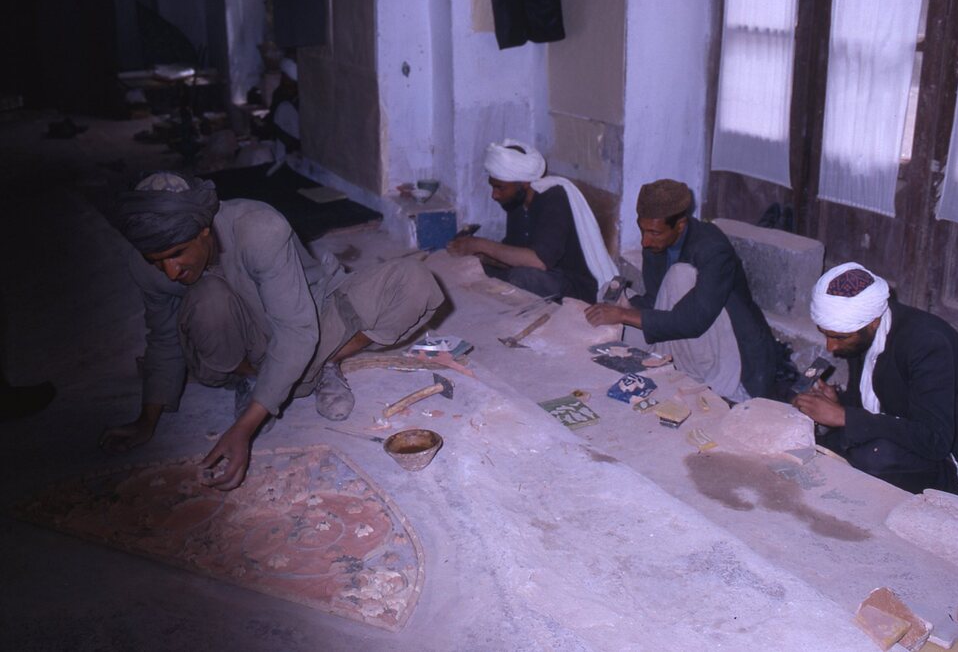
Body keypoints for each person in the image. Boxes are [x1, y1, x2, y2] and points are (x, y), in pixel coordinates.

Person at [102, 172, 444, 490]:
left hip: (306, 315)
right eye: (156, 260)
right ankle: (258, 379)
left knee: (414, 280)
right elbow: (163, 338)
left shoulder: (258, 227)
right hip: (235, 346)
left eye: (177, 253)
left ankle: (318, 363)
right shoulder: (146, 266)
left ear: (204, 230)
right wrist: (146, 421)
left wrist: (244, 427)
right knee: (208, 296)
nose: (170, 270)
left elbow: (296, 328)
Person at [792, 262, 958, 506]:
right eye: (826, 334)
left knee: (872, 457)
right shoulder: (866, 334)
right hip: (923, 443)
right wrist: (841, 404)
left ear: (873, 322)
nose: (831, 347)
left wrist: (846, 417)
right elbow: (882, 403)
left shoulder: (926, 343)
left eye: (839, 337)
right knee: (828, 445)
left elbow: (935, 440)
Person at [584, 179, 776, 402]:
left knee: (679, 275)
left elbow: (693, 321)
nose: (645, 241)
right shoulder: (655, 243)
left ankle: (695, 380)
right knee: (608, 291)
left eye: (654, 232)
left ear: (680, 225)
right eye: (642, 230)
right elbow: (658, 300)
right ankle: (667, 363)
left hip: (726, 352)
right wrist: (626, 307)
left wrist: (625, 315)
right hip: (681, 335)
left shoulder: (712, 247)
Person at [446, 138, 616, 303]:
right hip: (545, 275)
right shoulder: (517, 203)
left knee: (522, 277)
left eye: (500, 187)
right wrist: (481, 256)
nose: (494, 195)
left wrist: (480, 244)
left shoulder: (554, 199)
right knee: (481, 268)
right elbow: (515, 255)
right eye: (493, 186)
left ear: (524, 183)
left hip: (574, 285)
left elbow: (539, 261)